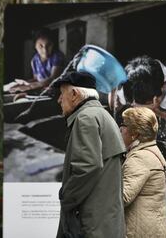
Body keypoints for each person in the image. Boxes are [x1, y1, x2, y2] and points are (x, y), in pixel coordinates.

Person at [54, 71, 126, 238]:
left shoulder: (85, 118)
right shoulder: (103, 115)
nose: (59, 100)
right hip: (105, 222)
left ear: (74, 94)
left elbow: (88, 167)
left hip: (91, 224)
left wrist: (66, 197)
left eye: (61, 94)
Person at [120, 107, 166, 238]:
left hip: (140, 232)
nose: (120, 129)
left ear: (135, 134)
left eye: (123, 125)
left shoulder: (139, 158)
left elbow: (123, 197)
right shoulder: (152, 150)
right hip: (154, 229)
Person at [9, 28, 64, 93]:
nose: (45, 50)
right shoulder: (34, 60)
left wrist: (29, 87)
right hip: (41, 91)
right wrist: (24, 83)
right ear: (35, 46)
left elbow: (52, 79)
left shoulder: (58, 57)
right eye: (41, 46)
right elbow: (36, 79)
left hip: (57, 92)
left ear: (53, 44)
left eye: (48, 45)